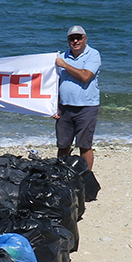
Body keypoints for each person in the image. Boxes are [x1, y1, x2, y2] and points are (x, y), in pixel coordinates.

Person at [55, 25, 102, 170]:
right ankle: (62, 174)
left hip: (87, 107)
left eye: (78, 38)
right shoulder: (61, 56)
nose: (75, 41)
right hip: (65, 108)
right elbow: (54, 83)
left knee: (84, 145)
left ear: (85, 38)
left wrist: (65, 65)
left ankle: (86, 178)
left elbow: (85, 76)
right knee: (63, 145)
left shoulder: (93, 55)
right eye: (72, 38)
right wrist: (54, 106)